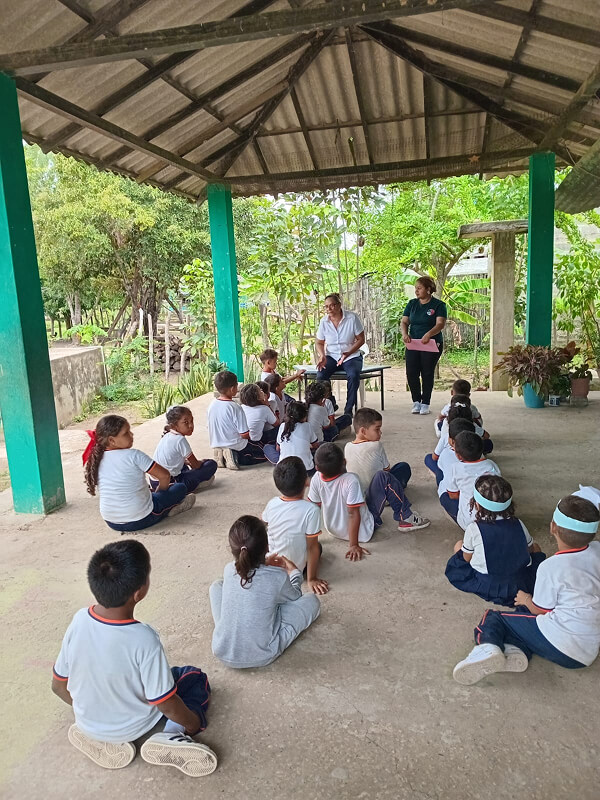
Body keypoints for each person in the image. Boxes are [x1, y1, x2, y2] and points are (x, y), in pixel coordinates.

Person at [52, 540, 217, 776]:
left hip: (88, 722)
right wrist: (193, 723)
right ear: (139, 592)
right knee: (192, 677)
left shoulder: (78, 620)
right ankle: (172, 734)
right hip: (136, 725)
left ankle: (97, 733)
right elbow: (166, 703)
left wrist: (93, 711)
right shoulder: (143, 638)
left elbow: (58, 685)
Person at [453, 495, 600, 685]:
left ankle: (487, 647)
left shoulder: (551, 567)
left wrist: (525, 598)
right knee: (522, 617)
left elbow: (540, 610)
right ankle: (517, 650)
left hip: (562, 644)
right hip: (588, 649)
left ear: (552, 527)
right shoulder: (597, 550)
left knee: (494, 618)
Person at [209, 515, 321, 668]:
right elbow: (296, 597)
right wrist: (294, 572)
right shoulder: (277, 576)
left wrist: (263, 565)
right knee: (312, 601)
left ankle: (226, 628)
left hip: (221, 650)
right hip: (262, 654)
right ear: (267, 547)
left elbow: (250, 577)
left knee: (217, 586)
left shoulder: (229, 569)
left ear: (233, 549)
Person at [445, 475, 546, 607]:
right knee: (536, 547)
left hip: (489, 584)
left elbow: (466, 557)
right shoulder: (518, 523)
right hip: (519, 583)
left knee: (459, 546)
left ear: (477, 505)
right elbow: (530, 549)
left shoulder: (474, 528)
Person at [83, 415, 195, 533]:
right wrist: (161, 491)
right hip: (141, 518)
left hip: (111, 521)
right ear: (112, 440)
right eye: (126, 433)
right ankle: (170, 508)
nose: (132, 435)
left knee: (149, 493)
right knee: (179, 487)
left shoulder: (97, 459)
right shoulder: (134, 455)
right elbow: (165, 476)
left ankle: (163, 504)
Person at [344, 408, 430, 532]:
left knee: (398, 468)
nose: (380, 433)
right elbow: (387, 470)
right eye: (377, 429)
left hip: (360, 498)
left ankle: (392, 496)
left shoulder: (347, 447)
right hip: (375, 499)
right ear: (363, 431)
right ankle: (406, 517)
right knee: (397, 471)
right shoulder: (376, 445)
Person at [262, 457, 328, 595]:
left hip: (272, 563)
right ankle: (308, 575)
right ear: (306, 482)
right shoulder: (311, 510)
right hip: (295, 570)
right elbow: (312, 547)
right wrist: (312, 579)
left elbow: (265, 526)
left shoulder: (272, 503)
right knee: (318, 546)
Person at [308, 443, 376, 561]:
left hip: (333, 530)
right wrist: (353, 545)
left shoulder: (316, 478)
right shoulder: (351, 480)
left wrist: (311, 542)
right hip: (363, 533)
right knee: (382, 478)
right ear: (344, 462)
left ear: (317, 468)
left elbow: (313, 511)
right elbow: (353, 513)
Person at [400, 276, 447, 416]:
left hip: (431, 344)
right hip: (413, 343)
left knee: (427, 372)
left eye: (419, 288)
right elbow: (404, 322)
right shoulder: (412, 304)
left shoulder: (439, 305)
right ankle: (416, 401)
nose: (416, 291)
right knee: (411, 372)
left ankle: (426, 402)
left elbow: (440, 324)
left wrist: (429, 334)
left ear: (428, 289)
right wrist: (404, 334)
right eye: (416, 288)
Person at [315, 293, 365, 416]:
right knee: (321, 375)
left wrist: (349, 352)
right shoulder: (324, 322)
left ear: (339, 305)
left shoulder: (352, 318)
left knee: (353, 376)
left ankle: (348, 410)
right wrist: (322, 356)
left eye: (331, 305)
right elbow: (319, 342)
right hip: (332, 356)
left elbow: (361, 339)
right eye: (326, 307)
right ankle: (331, 403)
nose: (329, 309)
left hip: (351, 355)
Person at [440, 431, 501, 529]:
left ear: (458, 456)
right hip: (497, 518)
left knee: (444, 496)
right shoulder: (491, 465)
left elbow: (453, 495)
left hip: (470, 523)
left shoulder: (455, 468)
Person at [207, 371, 266, 470]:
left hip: (217, 442)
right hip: (238, 446)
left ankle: (221, 453)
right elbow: (244, 434)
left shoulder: (211, 405)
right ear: (232, 389)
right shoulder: (235, 407)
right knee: (264, 453)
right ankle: (233, 455)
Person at [152, 406, 217, 493]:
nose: (191, 425)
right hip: (169, 484)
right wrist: (201, 462)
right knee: (211, 464)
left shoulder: (167, 435)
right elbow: (196, 465)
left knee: (184, 464)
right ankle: (194, 484)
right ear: (174, 426)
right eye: (185, 422)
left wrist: (187, 462)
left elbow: (172, 459)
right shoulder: (180, 440)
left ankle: (190, 479)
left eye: (191, 421)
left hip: (154, 482)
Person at [263, 400, 318, 470]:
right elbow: (315, 446)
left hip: (284, 470)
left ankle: (281, 461)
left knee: (267, 447)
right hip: (306, 470)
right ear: (305, 416)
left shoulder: (283, 426)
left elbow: (277, 449)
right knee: (322, 445)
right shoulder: (307, 426)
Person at [425, 417, 475, 489]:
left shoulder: (446, 453)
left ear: (452, 441)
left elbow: (434, 457)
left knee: (430, 460)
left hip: (452, 491)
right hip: (474, 490)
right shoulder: (478, 452)